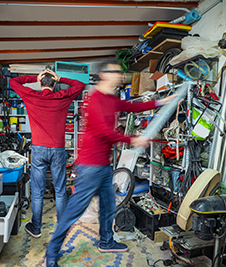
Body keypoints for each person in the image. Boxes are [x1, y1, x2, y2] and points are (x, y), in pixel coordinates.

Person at [45, 60, 176, 267]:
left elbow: (132, 107)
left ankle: (106, 242)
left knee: (108, 207)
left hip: (104, 167)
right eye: (116, 72)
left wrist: (161, 102)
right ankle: (51, 253)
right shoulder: (95, 99)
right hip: (89, 167)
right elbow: (103, 132)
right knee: (73, 212)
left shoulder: (111, 99)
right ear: (104, 75)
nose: (121, 75)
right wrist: (132, 139)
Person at [9, 69, 85, 238]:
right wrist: (61, 78)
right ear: (55, 83)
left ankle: (36, 228)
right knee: (59, 190)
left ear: (40, 83)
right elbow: (80, 85)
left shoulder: (31, 95)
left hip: (38, 150)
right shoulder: (63, 96)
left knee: (37, 192)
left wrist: (33, 78)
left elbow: (13, 82)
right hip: (58, 150)